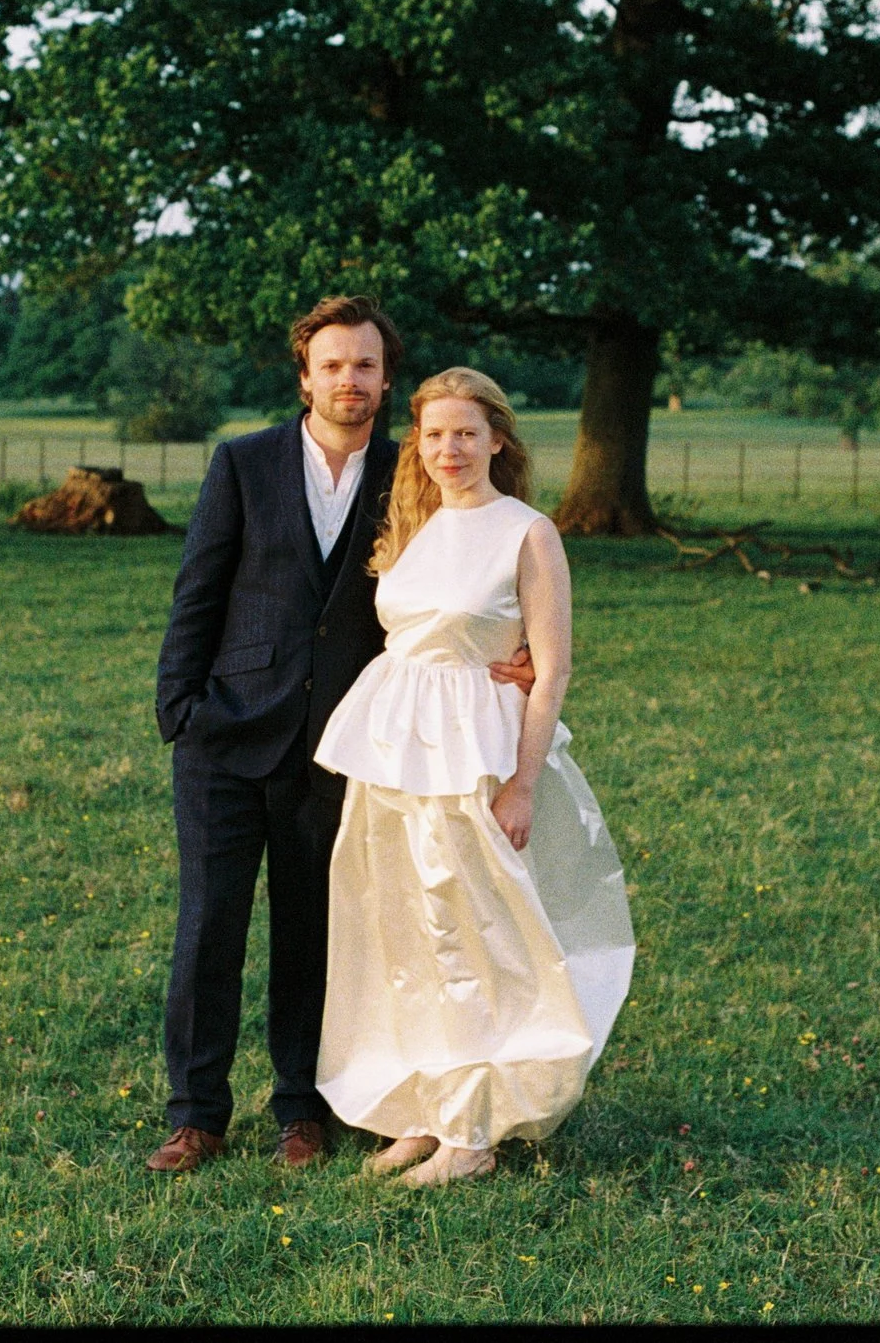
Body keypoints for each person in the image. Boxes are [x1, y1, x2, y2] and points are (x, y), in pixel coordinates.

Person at [148, 301, 535, 1173]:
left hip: (344, 746)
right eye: (332, 365)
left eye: (364, 365)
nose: (348, 380)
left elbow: (471, 569)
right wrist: (180, 708)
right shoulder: (243, 462)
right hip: (225, 734)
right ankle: (196, 1114)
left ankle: (303, 1109)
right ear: (305, 377)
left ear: (386, 380)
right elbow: (198, 590)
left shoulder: (414, 471)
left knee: (317, 931)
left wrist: (510, 654)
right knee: (208, 929)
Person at [312, 367, 635, 1187]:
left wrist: (520, 783)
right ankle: (421, 1108)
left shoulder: (527, 533)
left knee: (468, 933)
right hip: (394, 752)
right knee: (401, 929)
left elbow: (552, 669)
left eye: (465, 432)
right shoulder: (414, 523)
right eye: (433, 434)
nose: (448, 448)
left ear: (497, 439)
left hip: (474, 756)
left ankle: (472, 1132)